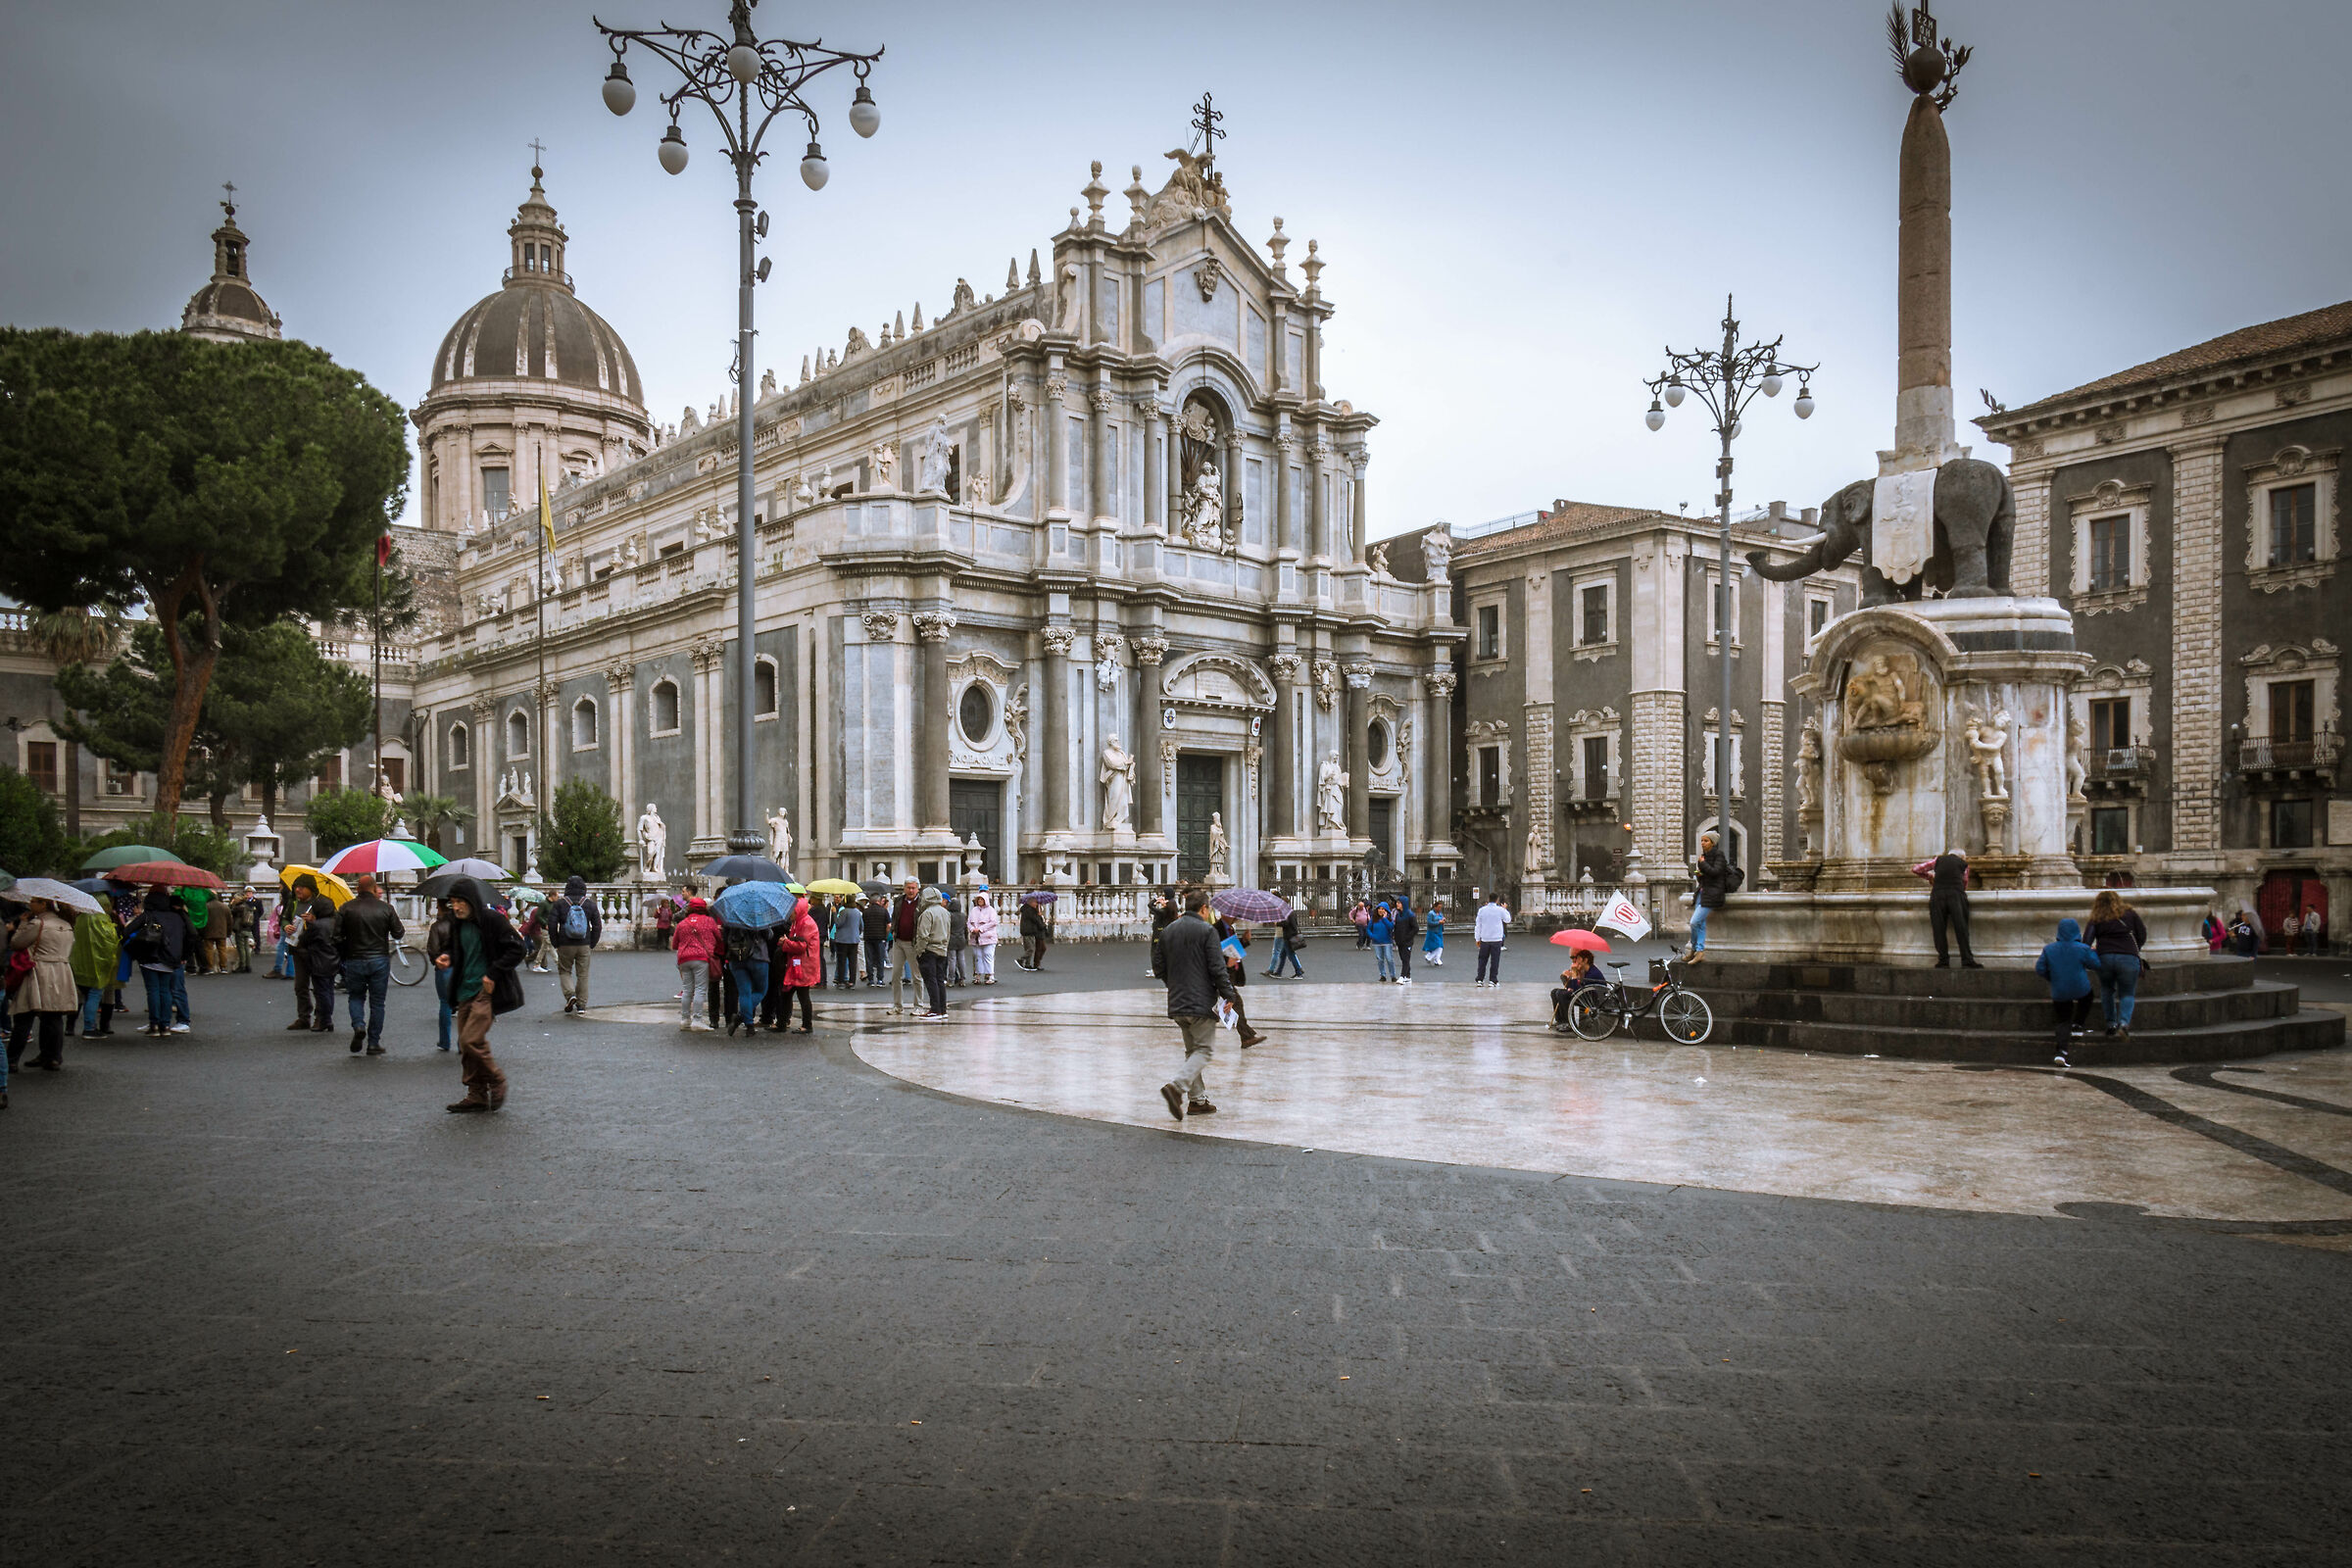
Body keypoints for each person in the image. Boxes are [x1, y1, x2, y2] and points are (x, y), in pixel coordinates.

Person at [434, 877, 527, 1111]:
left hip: (485, 992)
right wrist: (448, 956)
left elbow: (518, 948)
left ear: (472, 901)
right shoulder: (456, 923)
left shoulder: (493, 920)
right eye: (453, 902)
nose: (455, 907)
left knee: (470, 1040)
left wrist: (493, 973)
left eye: (460, 902)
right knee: (466, 1047)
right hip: (464, 990)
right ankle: (476, 1093)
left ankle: (497, 1080)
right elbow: (459, 950)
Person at [1156, 887, 1242, 1123]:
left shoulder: (1168, 931)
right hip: (1201, 1002)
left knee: (1192, 1051)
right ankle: (1176, 1087)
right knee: (1204, 1050)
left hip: (1177, 1001)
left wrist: (1174, 984)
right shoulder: (1206, 931)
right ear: (1203, 909)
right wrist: (1229, 994)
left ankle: (1198, 1101)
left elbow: (1159, 968)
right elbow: (1217, 968)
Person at [335, 872, 405, 1056]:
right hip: (379, 959)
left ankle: (358, 1025)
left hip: (354, 958)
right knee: (377, 1003)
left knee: (356, 997)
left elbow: (335, 936)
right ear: (375, 889)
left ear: (357, 889)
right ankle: (374, 1042)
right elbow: (399, 933)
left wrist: (346, 951)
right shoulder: (386, 908)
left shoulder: (346, 908)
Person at [9, 897, 81, 1068]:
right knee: (53, 1015)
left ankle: (11, 1061)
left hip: (38, 970)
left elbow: (17, 944)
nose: (30, 904)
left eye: (34, 901)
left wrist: (21, 925)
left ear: (43, 904)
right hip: (62, 971)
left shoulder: (37, 924)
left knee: (24, 1015)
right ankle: (52, 1056)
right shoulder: (67, 925)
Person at [122, 890, 192, 1042]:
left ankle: (154, 1024)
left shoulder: (148, 915)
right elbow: (189, 935)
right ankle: (165, 1025)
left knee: (153, 991)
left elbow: (127, 931)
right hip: (171, 958)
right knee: (165, 991)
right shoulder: (177, 917)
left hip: (149, 957)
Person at [2035, 917, 2100, 1064]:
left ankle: (2061, 1052)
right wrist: (2093, 952)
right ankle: (2078, 1024)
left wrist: (2052, 978)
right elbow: (2096, 964)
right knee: (2088, 997)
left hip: (2059, 989)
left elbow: (2040, 969)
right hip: (2080, 987)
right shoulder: (2083, 948)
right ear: (2077, 932)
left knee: (2063, 1020)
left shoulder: (2049, 949)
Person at [2085, 889, 2148, 1040]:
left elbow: (2086, 941)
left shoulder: (2096, 917)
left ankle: (2111, 1024)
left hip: (2105, 957)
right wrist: (2134, 949)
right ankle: (2124, 1023)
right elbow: (2142, 933)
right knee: (2127, 993)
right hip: (2128, 958)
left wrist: (2094, 950)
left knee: (2107, 990)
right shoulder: (2130, 913)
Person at [287, 876, 337, 1032]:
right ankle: (303, 1017)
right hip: (298, 948)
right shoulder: (293, 902)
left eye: (301, 887)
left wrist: (314, 920)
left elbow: (330, 922)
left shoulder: (321, 903)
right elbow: (284, 919)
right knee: (300, 985)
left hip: (315, 951)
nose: (297, 890)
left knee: (319, 987)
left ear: (311, 888)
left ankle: (320, 1018)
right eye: (296, 886)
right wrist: (286, 927)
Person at [547, 875, 603, 1014]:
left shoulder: (560, 904)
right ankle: (582, 1005)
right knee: (583, 974)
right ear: (584, 888)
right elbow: (597, 926)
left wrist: (556, 943)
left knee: (565, 971)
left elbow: (552, 925)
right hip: (584, 943)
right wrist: (592, 943)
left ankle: (570, 995)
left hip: (565, 943)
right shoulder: (589, 904)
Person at [70, 901, 121, 1039]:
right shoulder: (104, 921)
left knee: (80, 994)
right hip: (100, 965)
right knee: (95, 994)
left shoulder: (81, 919)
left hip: (80, 963)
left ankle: (70, 1027)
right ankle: (89, 1027)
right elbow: (112, 942)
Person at [672, 897, 721, 1031]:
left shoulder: (683, 923)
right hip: (701, 958)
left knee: (687, 989)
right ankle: (697, 1020)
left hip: (684, 959)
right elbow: (719, 937)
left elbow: (674, 944)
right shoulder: (709, 921)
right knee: (700, 989)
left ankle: (684, 1019)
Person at [774, 895, 821, 1034]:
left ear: (798, 910)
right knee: (787, 993)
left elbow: (801, 946)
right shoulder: (799, 922)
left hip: (803, 965)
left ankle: (806, 1025)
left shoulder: (806, 923)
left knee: (801, 995)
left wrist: (785, 943)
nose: (790, 915)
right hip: (797, 964)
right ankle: (783, 1022)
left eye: (792, 912)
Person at [1928, 847, 1981, 969]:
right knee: (1961, 928)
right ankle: (1967, 960)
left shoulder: (1937, 861)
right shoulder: (1963, 864)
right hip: (1956, 895)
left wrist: (1931, 877)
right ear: (1962, 857)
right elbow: (1964, 882)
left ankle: (1943, 961)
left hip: (1937, 895)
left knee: (1939, 928)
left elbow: (1916, 869)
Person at [722, 914, 771, 1038]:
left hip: (736, 957)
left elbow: (724, 937)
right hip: (758, 957)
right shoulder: (759, 915)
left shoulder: (731, 916)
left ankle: (750, 1026)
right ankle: (740, 1017)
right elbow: (769, 935)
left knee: (744, 993)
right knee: (761, 990)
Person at [1689, 832, 1732, 962]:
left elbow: (1715, 872)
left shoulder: (1719, 856)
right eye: (1702, 840)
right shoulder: (1703, 857)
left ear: (1713, 843)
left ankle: (1696, 949)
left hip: (1712, 894)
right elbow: (1704, 875)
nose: (1702, 843)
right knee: (1700, 924)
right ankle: (1697, 951)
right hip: (1702, 893)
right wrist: (1699, 873)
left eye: (1706, 841)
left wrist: (1702, 865)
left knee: (1694, 922)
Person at [423, 898, 458, 1053]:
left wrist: (437, 961)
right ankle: (463, 1043)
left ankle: (445, 1041)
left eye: (437, 907)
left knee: (445, 1003)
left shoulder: (437, 926)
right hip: (461, 967)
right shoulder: (462, 924)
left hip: (444, 969)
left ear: (442, 908)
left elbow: (433, 950)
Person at [914, 885, 952, 1021]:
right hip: (942, 949)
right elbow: (948, 933)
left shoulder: (927, 913)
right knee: (940, 980)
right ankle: (942, 1009)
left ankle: (935, 1010)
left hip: (929, 950)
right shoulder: (945, 912)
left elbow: (923, 935)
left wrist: (919, 950)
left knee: (931, 981)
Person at [1551, 949, 1600, 1030]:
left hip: (1590, 998)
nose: (1575, 961)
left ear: (1585, 960)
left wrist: (1574, 975)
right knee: (1555, 992)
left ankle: (1569, 1023)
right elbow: (1572, 988)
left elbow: (1576, 991)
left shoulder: (1592, 972)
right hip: (1584, 994)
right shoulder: (1584, 970)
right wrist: (1565, 978)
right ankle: (1560, 1021)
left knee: (1562, 994)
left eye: (1578, 958)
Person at [1473, 892, 1510, 986]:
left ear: (1488, 899)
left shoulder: (1482, 910)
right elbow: (1508, 919)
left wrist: (1477, 938)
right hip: (1496, 938)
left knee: (1482, 959)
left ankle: (1480, 979)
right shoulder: (1500, 910)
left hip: (1485, 937)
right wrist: (1505, 909)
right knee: (1495, 960)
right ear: (1497, 900)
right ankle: (1493, 979)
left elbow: (1478, 925)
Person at [829, 896, 863, 990]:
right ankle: (852, 982)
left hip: (842, 940)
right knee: (853, 962)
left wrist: (834, 913)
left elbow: (838, 923)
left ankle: (841, 981)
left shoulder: (844, 911)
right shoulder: (857, 912)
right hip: (854, 940)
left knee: (842, 961)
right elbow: (861, 926)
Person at [1264, 904, 1305, 979]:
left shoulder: (1286, 912)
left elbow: (1285, 923)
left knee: (1291, 954)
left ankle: (1299, 972)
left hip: (1288, 936)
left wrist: (1277, 923)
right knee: (1283, 955)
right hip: (1291, 934)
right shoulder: (1291, 911)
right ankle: (1279, 972)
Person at [967, 892, 1000, 985]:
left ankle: (990, 975)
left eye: (982, 899)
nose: (980, 901)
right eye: (979, 899)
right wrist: (972, 929)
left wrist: (981, 929)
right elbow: (969, 922)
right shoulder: (974, 910)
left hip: (988, 937)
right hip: (976, 937)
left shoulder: (991, 910)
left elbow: (993, 922)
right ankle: (978, 975)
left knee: (988, 955)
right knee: (978, 957)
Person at [862, 893, 891, 987]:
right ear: (879, 901)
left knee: (869, 959)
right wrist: (885, 935)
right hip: (880, 938)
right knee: (880, 959)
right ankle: (880, 979)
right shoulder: (884, 911)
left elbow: (863, 924)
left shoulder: (866, 912)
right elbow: (889, 925)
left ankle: (870, 980)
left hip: (868, 937)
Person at [1017, 896, 1052, 971]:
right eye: (1035, 902)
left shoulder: (1032, 909)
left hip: (1033, 930)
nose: (1036, 903)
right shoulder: (1030, 910)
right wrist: (1042, 921)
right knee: (1032, 949)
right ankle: (1025, 961)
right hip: (1033, 930)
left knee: (1032, 948)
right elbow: (1036, 920)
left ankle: (1028, 964)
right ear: (1031, 902)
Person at [1368, 902, 1398, 982]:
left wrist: (1384, 918)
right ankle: (1382, 975)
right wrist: (1372, 936)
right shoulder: (1373, 918)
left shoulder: (1389, 918)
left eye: (1382, 909)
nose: (1380, 910)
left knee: (1389, 959)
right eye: (1379, 909)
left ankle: (1393, 975)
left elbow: (1391, 927)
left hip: (1387, 942)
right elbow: (1368, 929)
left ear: (1386, 910)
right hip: (1377, 942)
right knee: (1380, 959)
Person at [945, 890, 969, 988]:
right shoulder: (963, 916)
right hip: (961, 939)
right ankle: (963, 979)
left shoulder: (948, 916)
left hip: (951, 939)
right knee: (961, 960)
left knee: (952, 960)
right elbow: (965, 929)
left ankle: (951, 979)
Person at [1393, 900, 1418, 984]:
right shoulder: (1398, 915)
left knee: (1406, 959)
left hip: (1407, 941)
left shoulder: (1410, 915)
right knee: (1403, 958)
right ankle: (1408, 976)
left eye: (1399, 903)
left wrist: (1408, 937)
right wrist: (1395, 936)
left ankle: (1402, 976)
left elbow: (1415, 928)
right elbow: (1397, 927)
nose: (1397, 904)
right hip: (1399, 941)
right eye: (1397, 902)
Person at [1424, 901, 1446, 967]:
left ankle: (1437, 959)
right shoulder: (1431, 913)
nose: (1439, 909)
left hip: (1439, 931)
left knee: (1440, 946)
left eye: (1440, 908)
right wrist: (1439, 922)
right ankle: (1429, 957)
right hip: (1432, 932)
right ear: (1435, 907)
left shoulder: (1440, 913)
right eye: (1438, 907)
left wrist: (1443, 920)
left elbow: (1441, 919)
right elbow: (1430, 923)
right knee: (1438, 945)